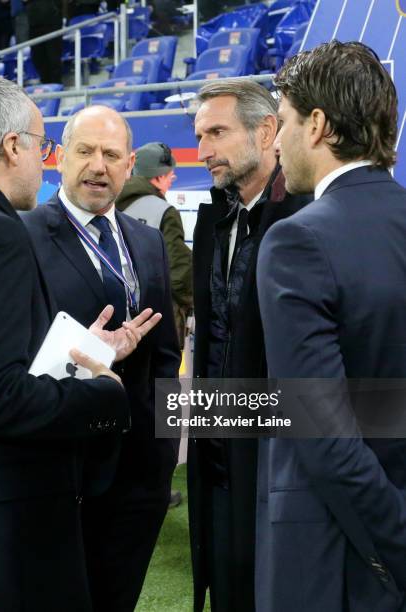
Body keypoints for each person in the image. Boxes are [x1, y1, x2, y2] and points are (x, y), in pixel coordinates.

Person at [0, 74, 159, 611]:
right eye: (45, 144)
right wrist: (104, 393)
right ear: (13, 146)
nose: (42, 157)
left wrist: (85, 353)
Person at [256, 40, 406, 612]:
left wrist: (396, 544)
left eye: (286, 120)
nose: (279, 140)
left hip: (344, 561)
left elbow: (323, 436)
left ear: (317, 124)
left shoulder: (298, 239)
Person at [22, 105, 181, 612]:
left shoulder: (147, 241)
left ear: (130, 163)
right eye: (85, 151)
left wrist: (160, 458)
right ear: (60, 158)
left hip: (139, 476)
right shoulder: (22, 237)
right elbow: (17, 358)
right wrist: (95, 353)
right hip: (62, 472)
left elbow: (165, 356)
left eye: (111, 155)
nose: (98, 165)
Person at [189, 78, 311, 611]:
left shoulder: (305, 218)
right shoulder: (213, 219)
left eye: (217, 132)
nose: (204, 150)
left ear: (267, 131)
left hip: (277, 473)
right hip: (216, 464)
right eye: (200, 135)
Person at [116, 141, 193, 350]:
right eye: (170, 176)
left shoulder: (109, 203)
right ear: (159, 177)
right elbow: (179, 271)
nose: (171, 181)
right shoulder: (164, 211)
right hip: (156, 322)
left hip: (116, 319)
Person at [22, 0, 62, 84]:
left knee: (53, 58)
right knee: (38, 58)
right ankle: (45, 83)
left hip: (52, 22)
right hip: (34, 24)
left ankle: (56, 86)